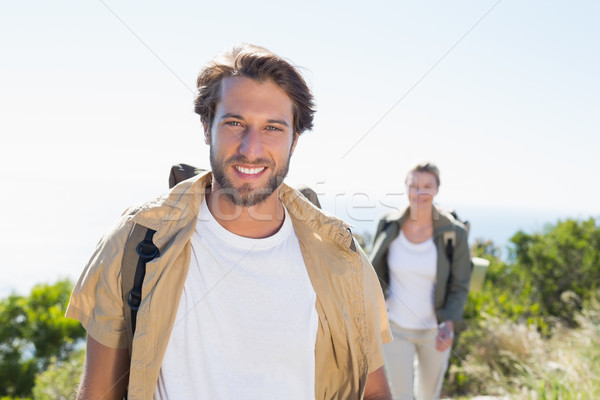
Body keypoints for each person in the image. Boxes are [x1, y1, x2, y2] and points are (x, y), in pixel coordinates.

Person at [66, 43, 393, 400]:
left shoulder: (341, 257)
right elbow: (98, 392)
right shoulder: (138, 241)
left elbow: (373, 391)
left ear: (294, 141)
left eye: (273, 128)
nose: (251, 148)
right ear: (207, 127)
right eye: (235, 123)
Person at [369, 163, 471, 400]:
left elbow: (460, 284)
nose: (419, 192)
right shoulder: (388, 224)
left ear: (437, 189)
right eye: (414, 185)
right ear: (406, 188)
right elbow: (373, 269)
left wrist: (449, 323)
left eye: (427, 186)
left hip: (435, 330)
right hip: (394, 328)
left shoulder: (454, 233)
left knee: (428, 395)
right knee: (399, 395)